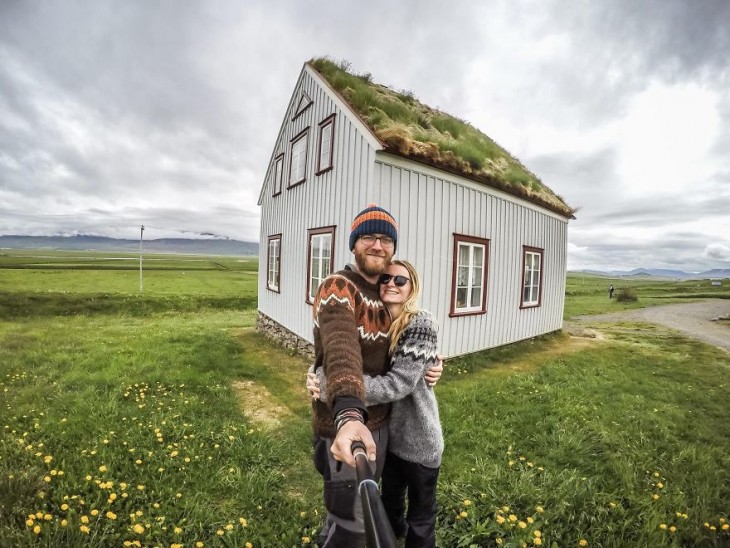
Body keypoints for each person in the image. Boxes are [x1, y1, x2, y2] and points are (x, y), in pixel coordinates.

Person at [311, 204, 442, 547]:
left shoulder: (386, 303)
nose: (377, 245)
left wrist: (433, 362)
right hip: (345, 427)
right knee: (353, 522)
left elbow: (401, 356)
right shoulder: (338, 287)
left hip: (383, 429)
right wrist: (347, 409)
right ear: (353, 243)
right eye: (367, 236)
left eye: (386, 239)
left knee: (346, 510)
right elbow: (340, 350)